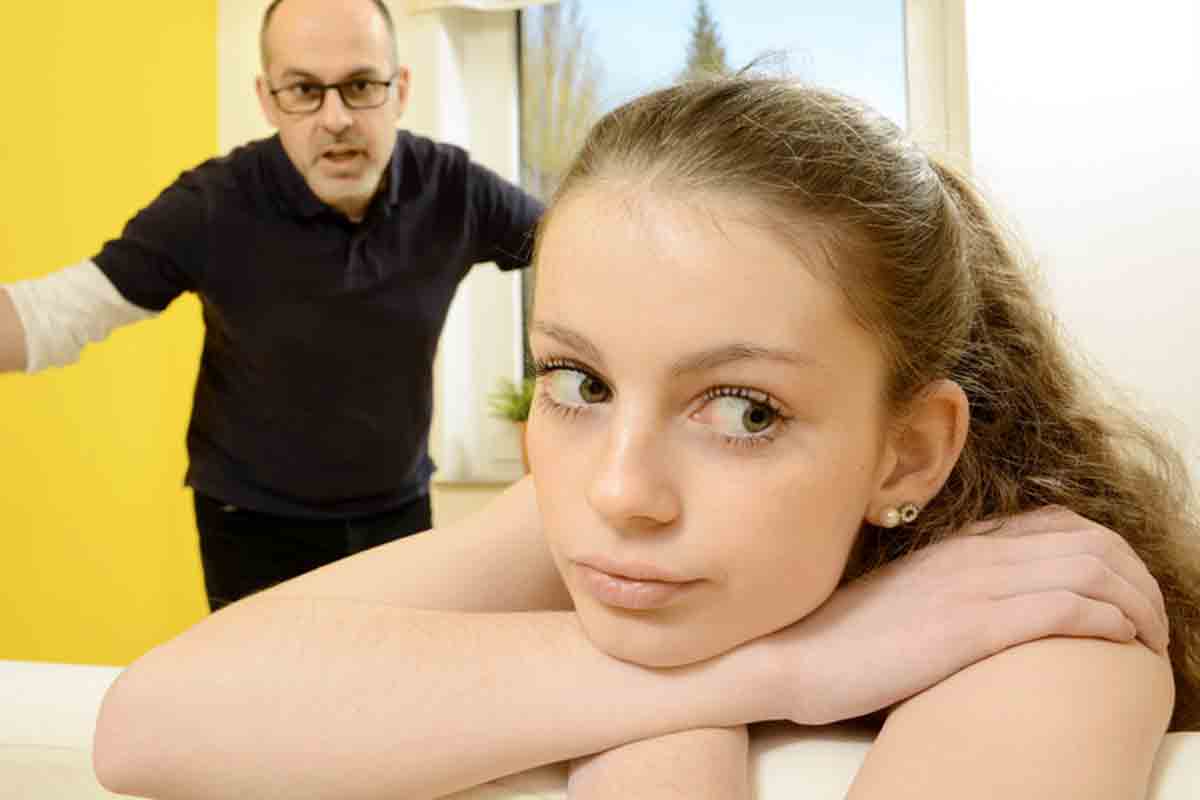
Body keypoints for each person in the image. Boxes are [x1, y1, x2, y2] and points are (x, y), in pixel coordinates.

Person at [93, 76, 1200, 799]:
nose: (620, 490)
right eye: (579, 381)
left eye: (745, 410)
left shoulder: (1049, 618)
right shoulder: (619, 523)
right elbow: (153, 720)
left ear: (908, 453)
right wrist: (776, 672)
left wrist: (656, 743)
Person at [0, 0, 543, 610]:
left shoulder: (452, 189)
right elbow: (53, 315)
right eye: (304, 90)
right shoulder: (212, 205)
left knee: (397, 671)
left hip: (396, 516)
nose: (336, 119)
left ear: (401, 89)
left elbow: (573, 243)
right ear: (267, 99)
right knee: (266, 677)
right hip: (251, 528)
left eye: (361, 85)